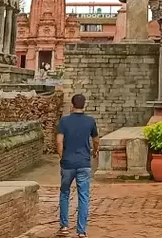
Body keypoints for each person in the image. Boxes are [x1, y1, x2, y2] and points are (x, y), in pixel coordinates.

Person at [55, 93, 99, 238]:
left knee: (64, 193)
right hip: (84, 163)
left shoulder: (64, 121)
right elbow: (96, 140)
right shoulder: (90, 121)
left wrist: (62, 156)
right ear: (84, 105)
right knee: (84, 197)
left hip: (67, 163)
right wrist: (95, 151)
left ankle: (64, 227)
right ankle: (81, 231)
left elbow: (59, 141)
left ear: (72, 105)